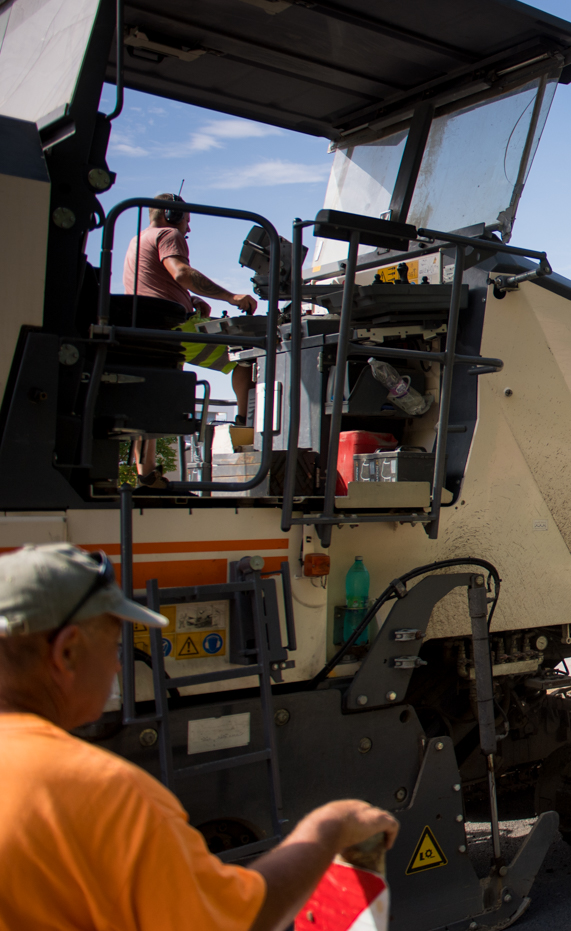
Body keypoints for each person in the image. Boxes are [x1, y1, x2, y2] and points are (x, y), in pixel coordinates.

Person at [0, 543, 397, 931]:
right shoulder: (107, 795)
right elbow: (238, 919)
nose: (118, 662)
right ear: (67, 653)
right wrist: (330, 828)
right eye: (114, 644)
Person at [123, 193, 259, 488]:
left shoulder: (139, 239)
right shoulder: (169, 233)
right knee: (247, 356)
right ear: (172, 215)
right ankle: (244, 430)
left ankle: (143, 476)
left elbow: (158, 282)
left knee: (151, 399)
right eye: (187, 220)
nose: (188, 229)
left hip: (150, 325)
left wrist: (190, 299)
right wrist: (231, 296)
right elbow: (181, 272)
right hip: (173, 326)